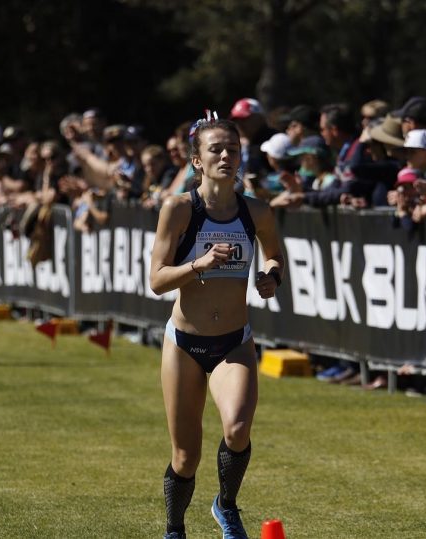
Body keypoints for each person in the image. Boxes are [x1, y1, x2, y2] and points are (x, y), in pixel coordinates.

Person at [149, 113, 285, 539]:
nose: (226, 156)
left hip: (234, 342)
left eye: (233, 149)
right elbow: (156, 281)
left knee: (238, 428)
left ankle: (226, 506)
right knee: (186, 457)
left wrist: (270, 278)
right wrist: (200, 264)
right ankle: (174, 529)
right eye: (216, 149)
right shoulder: (179, 209)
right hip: (184, 343)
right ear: (197, 161)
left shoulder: (257, 212)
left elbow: (275, 256)